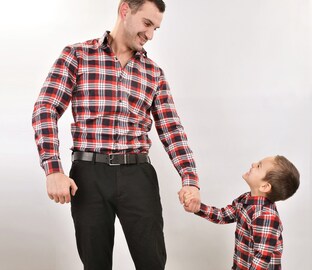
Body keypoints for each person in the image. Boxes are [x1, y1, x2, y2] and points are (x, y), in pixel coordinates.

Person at [32, 0, 201, 269]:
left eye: (156, 28)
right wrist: (53, 170)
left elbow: (171, 129)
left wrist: (190, 179)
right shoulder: (76, 55)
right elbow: (45, 109)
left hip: (138, 176)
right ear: (125, 11)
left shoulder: (154, 73)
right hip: (88, 175)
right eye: (147, 24)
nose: (150, 35)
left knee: (152, 262)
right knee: (95, 264)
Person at [184, 155, 300, 269]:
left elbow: (261, 259)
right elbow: (223, 216)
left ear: (264, 186)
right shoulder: (245, 199)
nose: (253, 164)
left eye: (259, 166)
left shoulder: (266, 216)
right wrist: (199, 208)